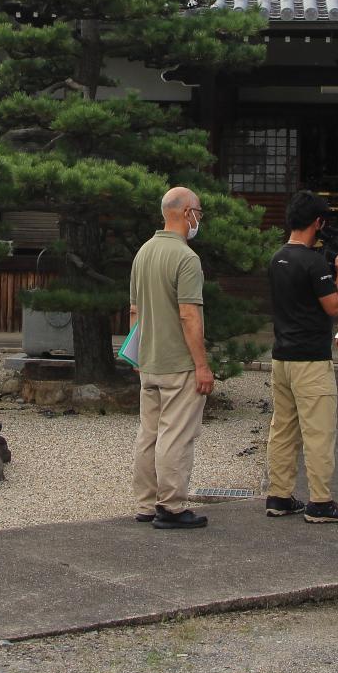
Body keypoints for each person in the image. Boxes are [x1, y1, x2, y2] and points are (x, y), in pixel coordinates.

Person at [264, 191, 338, 524]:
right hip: (311, 360)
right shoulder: (313, 262)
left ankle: (279, 495)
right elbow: (333, 306)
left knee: (283, 428)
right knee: (318, 431)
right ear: (317, 222)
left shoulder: (278, 258)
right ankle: (321, 501)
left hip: (282, 355)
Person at [129, 187, 214, 530]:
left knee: (148, 434)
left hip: (148, 360)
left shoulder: (144, 252)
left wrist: (137, 355)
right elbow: (189, 315)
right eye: (199, 212)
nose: (199, 219)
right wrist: (202, 365)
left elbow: (134, 311)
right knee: (176, 435)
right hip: (178, 362)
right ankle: (172, 506)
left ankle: (146, 503)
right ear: (186, 213)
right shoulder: (186, 258)